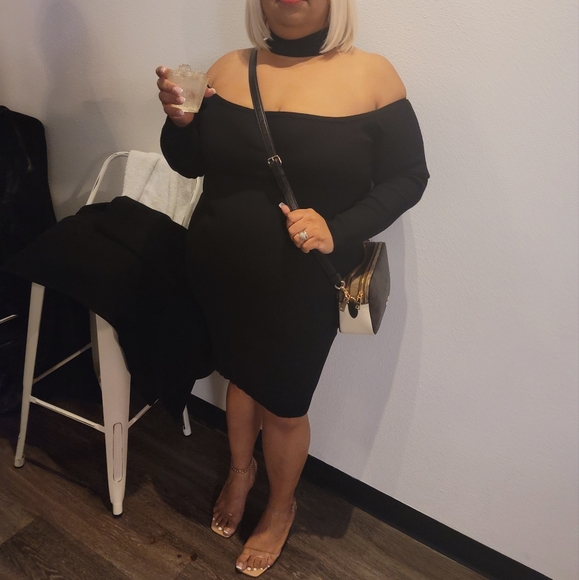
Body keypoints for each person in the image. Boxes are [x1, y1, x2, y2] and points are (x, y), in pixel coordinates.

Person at [157, 0, 429, 576]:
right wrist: (179, 125)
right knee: (239, 374)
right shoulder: (228, 68)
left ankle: (281, 507)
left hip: (302, 282)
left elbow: (409, 176)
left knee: (283, 403)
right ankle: (241, 472)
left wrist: (339, 228)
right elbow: (191, 164)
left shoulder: (373, 77)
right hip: (218, 266)